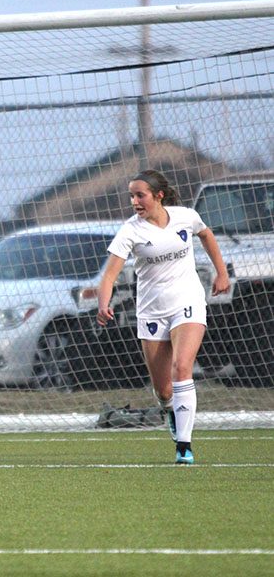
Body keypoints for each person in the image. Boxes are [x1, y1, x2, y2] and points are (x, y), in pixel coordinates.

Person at [96, 170, 229, 465]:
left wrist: (221, 273)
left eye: (139, 195)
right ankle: (170, 410)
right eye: (131, 196)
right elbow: (109, 275)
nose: (134, 201)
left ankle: (184, 445)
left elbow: (206, 235)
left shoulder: (185, 216)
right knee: (163, 389)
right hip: (151, 310)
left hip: (188, 301)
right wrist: (104, 304)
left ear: (158, 195)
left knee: (182, 368)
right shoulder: (131, 231)